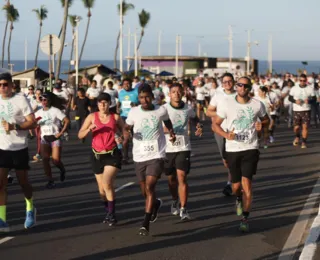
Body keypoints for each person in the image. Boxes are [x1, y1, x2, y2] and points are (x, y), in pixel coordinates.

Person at [213, 76, 270, 232]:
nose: (242, 88)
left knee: (247, 184)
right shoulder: (226, 104)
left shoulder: (257, 104)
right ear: (236, 86)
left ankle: (245, 217)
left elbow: (266, 120)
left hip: (250, 148)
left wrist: (261, 125)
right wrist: (226, 135)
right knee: (236, 186)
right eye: (239, 85)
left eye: (245, 86)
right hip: (232, 149)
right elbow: (215, 125)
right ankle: (238, 198)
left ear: (249, 88)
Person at [125, 84, 176, 236]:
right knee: (144, 191)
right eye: (141, 97)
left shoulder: (161, 110)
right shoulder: (134, 112)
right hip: (139, 155)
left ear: (152, 97)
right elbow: (126, 127)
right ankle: (156, 204)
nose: (144, 100)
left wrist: (171, 132)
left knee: (150, 186)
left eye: (147, 97)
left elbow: (167, 122)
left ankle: (145, 223)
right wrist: (126, 132)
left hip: (156, 155)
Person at [78, 93, 127, 226]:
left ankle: (111, 214)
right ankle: (108, 212)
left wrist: (121, 138)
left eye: (105, 103)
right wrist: (89, 129)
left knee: (107, 183)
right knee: (101, 190)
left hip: (112, 154)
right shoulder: (92, 117)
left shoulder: (115, 117)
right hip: (96, 155)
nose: (102, 105)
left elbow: (125, 130)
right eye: (100, 103)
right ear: (97, 104)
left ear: (109, 103)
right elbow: (80, 134)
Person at [0, 72, 37, 231]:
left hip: (19, 148)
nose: (2, 88)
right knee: (0, 184)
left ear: (11, 84)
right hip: (2, 148)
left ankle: (30, 208)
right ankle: (2, 219)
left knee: (23, 184)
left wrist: (14, 126)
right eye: (0, 85)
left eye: (5, 84)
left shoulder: (20, 99)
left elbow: (33, 123)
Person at [163, 83, 202, 221]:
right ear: (169, 94)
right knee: (171, 180)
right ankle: (174, 199)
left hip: (184, 148)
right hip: (168, 148)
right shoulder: (164, 109)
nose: (177, 94)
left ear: (183, 93)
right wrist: (169, 131)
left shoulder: (188, 108)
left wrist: (198, 126)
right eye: (173, 92)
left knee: (182, 178)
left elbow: (195, 118)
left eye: (179, 91)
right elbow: (157, 127)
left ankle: (184, 208)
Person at [206, 73, 237, 196]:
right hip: (220, 131)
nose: (227, 84)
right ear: (222, 84)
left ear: (233, 82)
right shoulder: (217, 96)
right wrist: (222, 114)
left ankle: (231, 183)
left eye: (229, 81)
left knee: (234, 157)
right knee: (226, 160)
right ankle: (233, 179)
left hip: (235, 131)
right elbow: (208, 112)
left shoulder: (239, 95)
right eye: (225, 82)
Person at [35, 92, 70, 188]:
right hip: (44, 138)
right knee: (45, 160)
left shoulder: (55, 111)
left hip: (55, 137)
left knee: (56, 160)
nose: (43, 101)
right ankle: (50, 180)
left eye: (45, 99)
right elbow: (34, 123)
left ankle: (62, 169)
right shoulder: (38, 113)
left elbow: (67, 121)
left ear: (49, 100)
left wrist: (61, 132)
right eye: (41, 99)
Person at [289, 74, 316, 148]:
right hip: (296, 110)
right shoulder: (294, 88)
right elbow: (290, 98)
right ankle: (297, 136)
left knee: (305, 127)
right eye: (301, 80)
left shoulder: (310, 88)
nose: (302, 82)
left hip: (306, 110)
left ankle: (304, 142)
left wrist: (309, 101)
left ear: (306, 81)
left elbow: (314, 99)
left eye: (304, 81)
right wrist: (295, 101)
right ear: (299, 80)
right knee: (296, 128)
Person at [117, 78, 139, 164]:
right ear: (122, 85)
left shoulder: (136, 91)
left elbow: (142, 101)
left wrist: (137, 105)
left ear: (131, 84)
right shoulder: (121, 92)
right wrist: (117, 108)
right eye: (125, 84)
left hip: (135, 117)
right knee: (125, 138)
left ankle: (138, 155)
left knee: (136, 137)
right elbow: (119, 102)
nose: (127, 85)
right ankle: (125, 157)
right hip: (124, 117)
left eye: (128, 83)